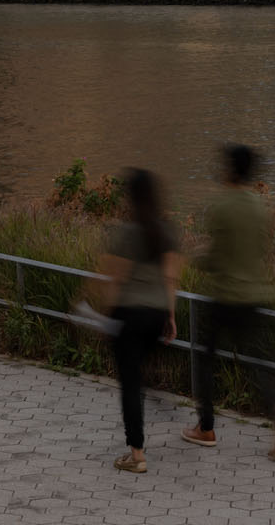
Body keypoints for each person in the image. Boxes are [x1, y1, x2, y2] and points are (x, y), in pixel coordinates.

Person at [182, 144, 275, 464]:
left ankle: (206, 427)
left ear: (230, 169)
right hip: (257, 294)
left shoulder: (221, 205)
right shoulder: (262, 207)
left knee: (205, 360)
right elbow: (261, 248)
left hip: (225, 295)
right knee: (261, 365)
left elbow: (215, 258)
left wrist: (199, 256)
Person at [96, 168, 179, 473]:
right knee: (140, 375)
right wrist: (170, 316)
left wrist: (108, 316)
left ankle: (137, 454)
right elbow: (171, 277)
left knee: (130, 385)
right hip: (157, 314)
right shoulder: (167, 230)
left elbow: (115, 279)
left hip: (130, 314)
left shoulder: (129, 232)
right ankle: (156, 392)